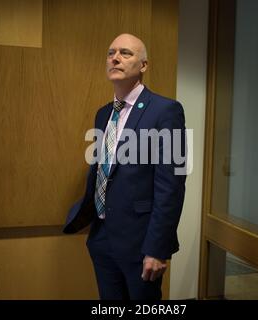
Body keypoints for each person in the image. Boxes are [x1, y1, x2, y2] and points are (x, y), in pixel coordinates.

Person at [63, 33, 186, 300]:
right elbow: (103, 169)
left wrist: (157, 248)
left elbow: (171, 186)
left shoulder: (167, 110)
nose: (115, 58)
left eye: (125, 53)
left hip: (141, 244)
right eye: (111, 53)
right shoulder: (103, 113)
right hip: (102, 239)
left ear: (143, 65)